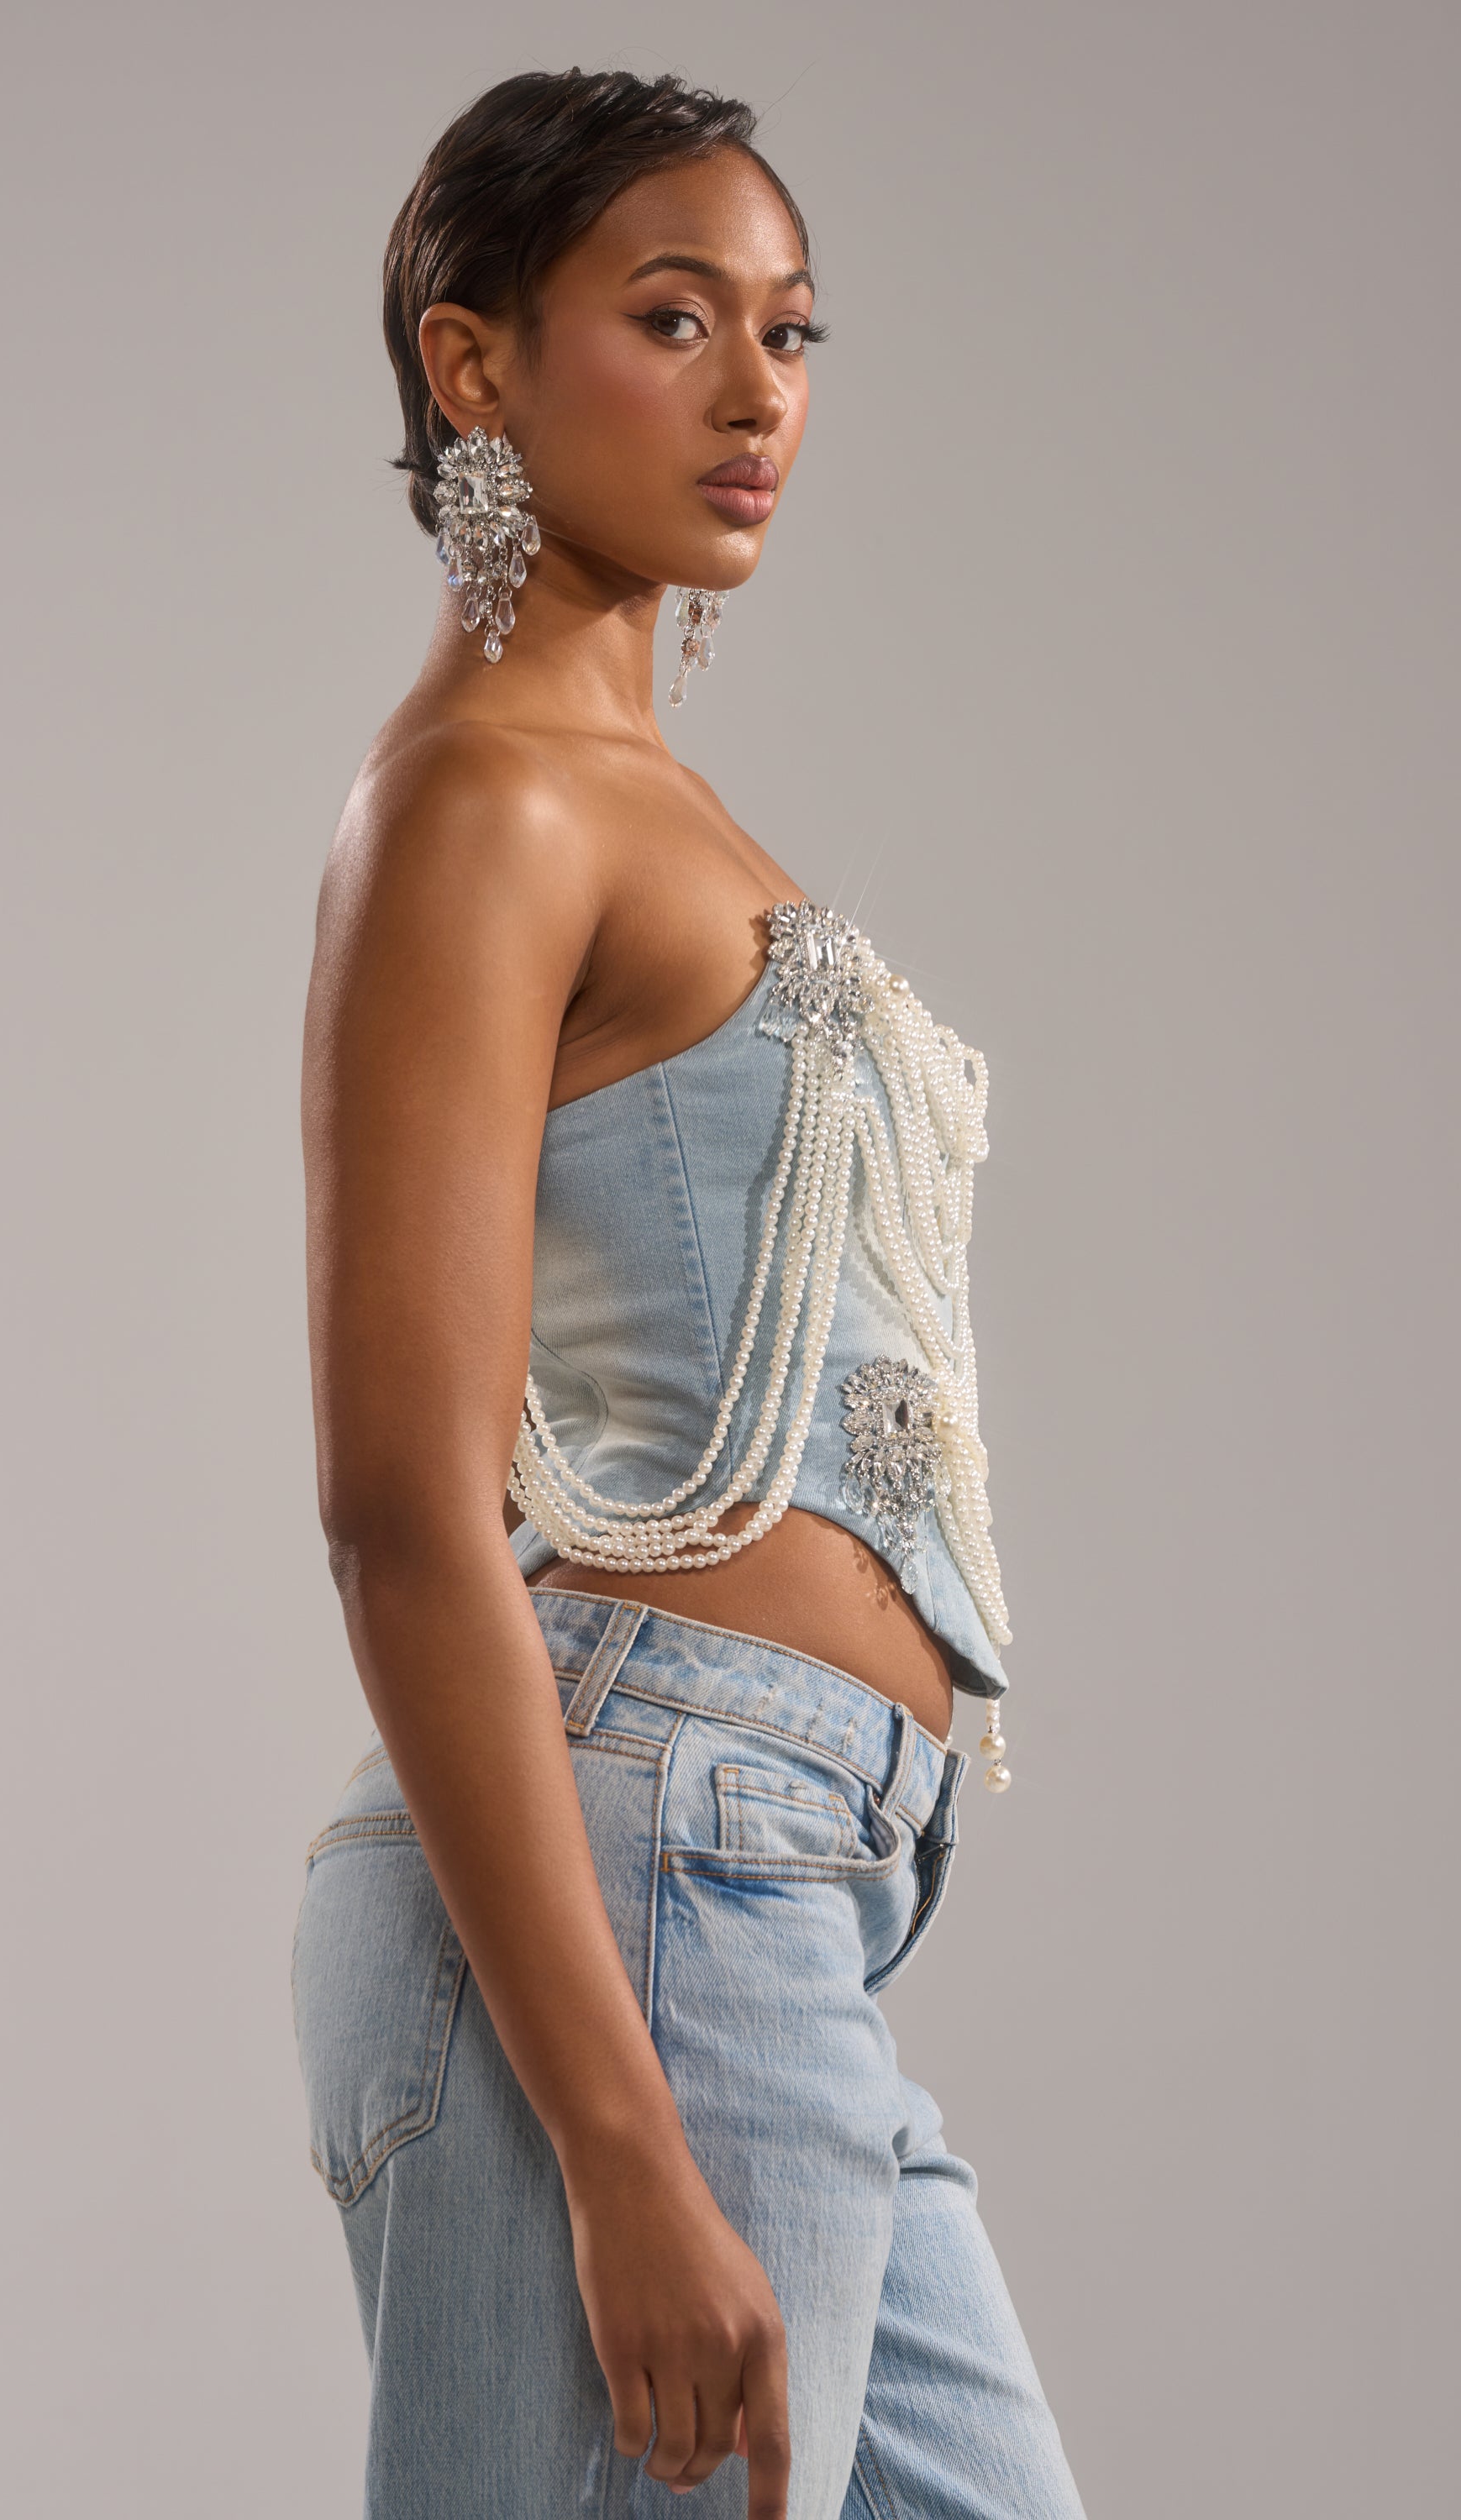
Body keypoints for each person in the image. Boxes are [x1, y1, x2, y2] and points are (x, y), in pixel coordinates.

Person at [292, 67, 1086, 2520]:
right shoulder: (482, 797)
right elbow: (404, 1507)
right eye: (675, 319)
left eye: (795, 331)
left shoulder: (645, 802)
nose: (764, 396)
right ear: (476, 367)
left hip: (778, 1888)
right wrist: (623, 2150)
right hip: (642, 1860)